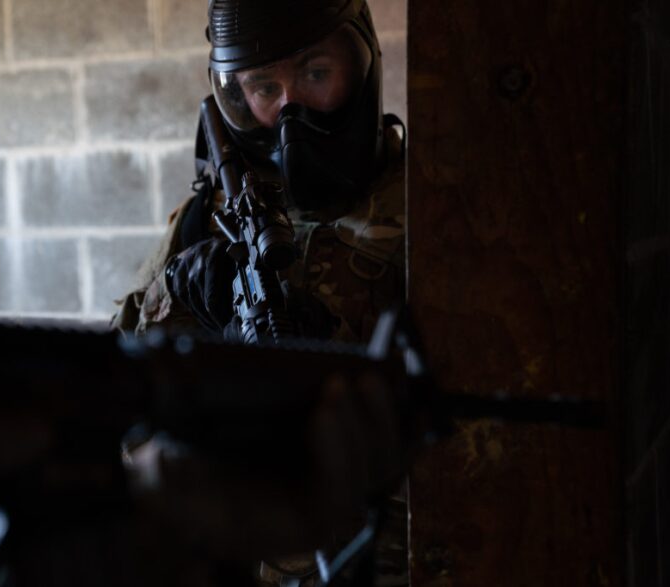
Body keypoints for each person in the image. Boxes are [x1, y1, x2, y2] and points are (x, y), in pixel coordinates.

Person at [112, 1, 410, 585]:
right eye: (263, 87)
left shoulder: (436, 213)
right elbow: (121, 407)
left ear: (361, 63)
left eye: (315, 74)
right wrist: (176, 294)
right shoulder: (206, 217)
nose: (287, 110)